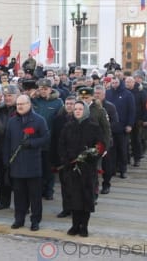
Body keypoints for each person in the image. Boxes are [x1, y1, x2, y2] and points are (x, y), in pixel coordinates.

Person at [58, 101, 104, 237]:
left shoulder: (94, 127)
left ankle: (84, 226)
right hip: (71, 168)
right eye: (76, 109)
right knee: (74, 197)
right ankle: (75, 225)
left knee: (86, 197)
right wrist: (67, 160)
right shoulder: (68, 126)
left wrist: (91, 156)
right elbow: (61, 145)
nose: (77, 111)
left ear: (85, 111)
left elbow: (100, 145)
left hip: (87, 168)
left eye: (80, 109)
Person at [4, 95, 49, 231]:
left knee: (35, 195)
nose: (20, 106)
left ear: (29, 104)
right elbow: (7, 142)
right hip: (17, 164)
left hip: (32, 164)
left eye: (23, 104)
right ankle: (19, 219)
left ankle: (35, 220)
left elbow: (46, 138)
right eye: (18, 104)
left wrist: (32, 143)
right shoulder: (12, 121)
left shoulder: (38, 120)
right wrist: (6, 160)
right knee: (19, 195)